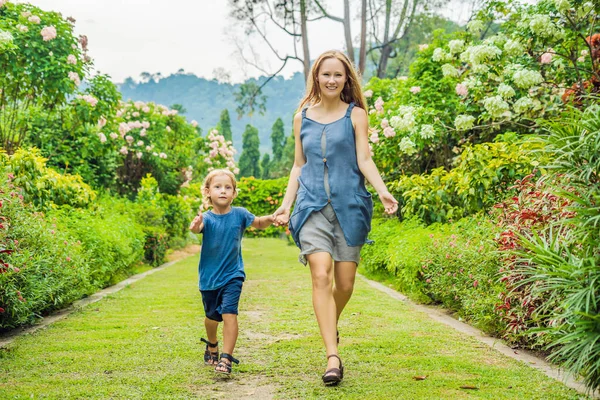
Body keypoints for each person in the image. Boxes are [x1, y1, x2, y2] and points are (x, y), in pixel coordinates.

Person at [272, 50, 399, 385]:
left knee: (344, 284)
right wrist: (287, 205)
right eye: (325, 74)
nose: (331, 80)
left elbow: (365, 159)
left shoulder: (355, 115)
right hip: (311, 206)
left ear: (346, 80)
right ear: (316, 77)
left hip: (350, 207)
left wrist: (383, 191)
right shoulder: (302, 117)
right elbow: (299, 165)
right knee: (321, 275)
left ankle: (330, 325)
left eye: (338, 75)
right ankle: (332, 356)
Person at [189, 169, 274, 375]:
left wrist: (272, 217)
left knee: (229, 313)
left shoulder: (241, 214)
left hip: (233, 275)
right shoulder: (206, 219)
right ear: (208, 192)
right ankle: (212, 342)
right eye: (218, 187)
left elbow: (260, 223)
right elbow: (196, 230)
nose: (223, 191)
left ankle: (226, 358)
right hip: (209, 279)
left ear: (234, 193)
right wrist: (195, 226)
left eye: (228, 187)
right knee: (211, 318)